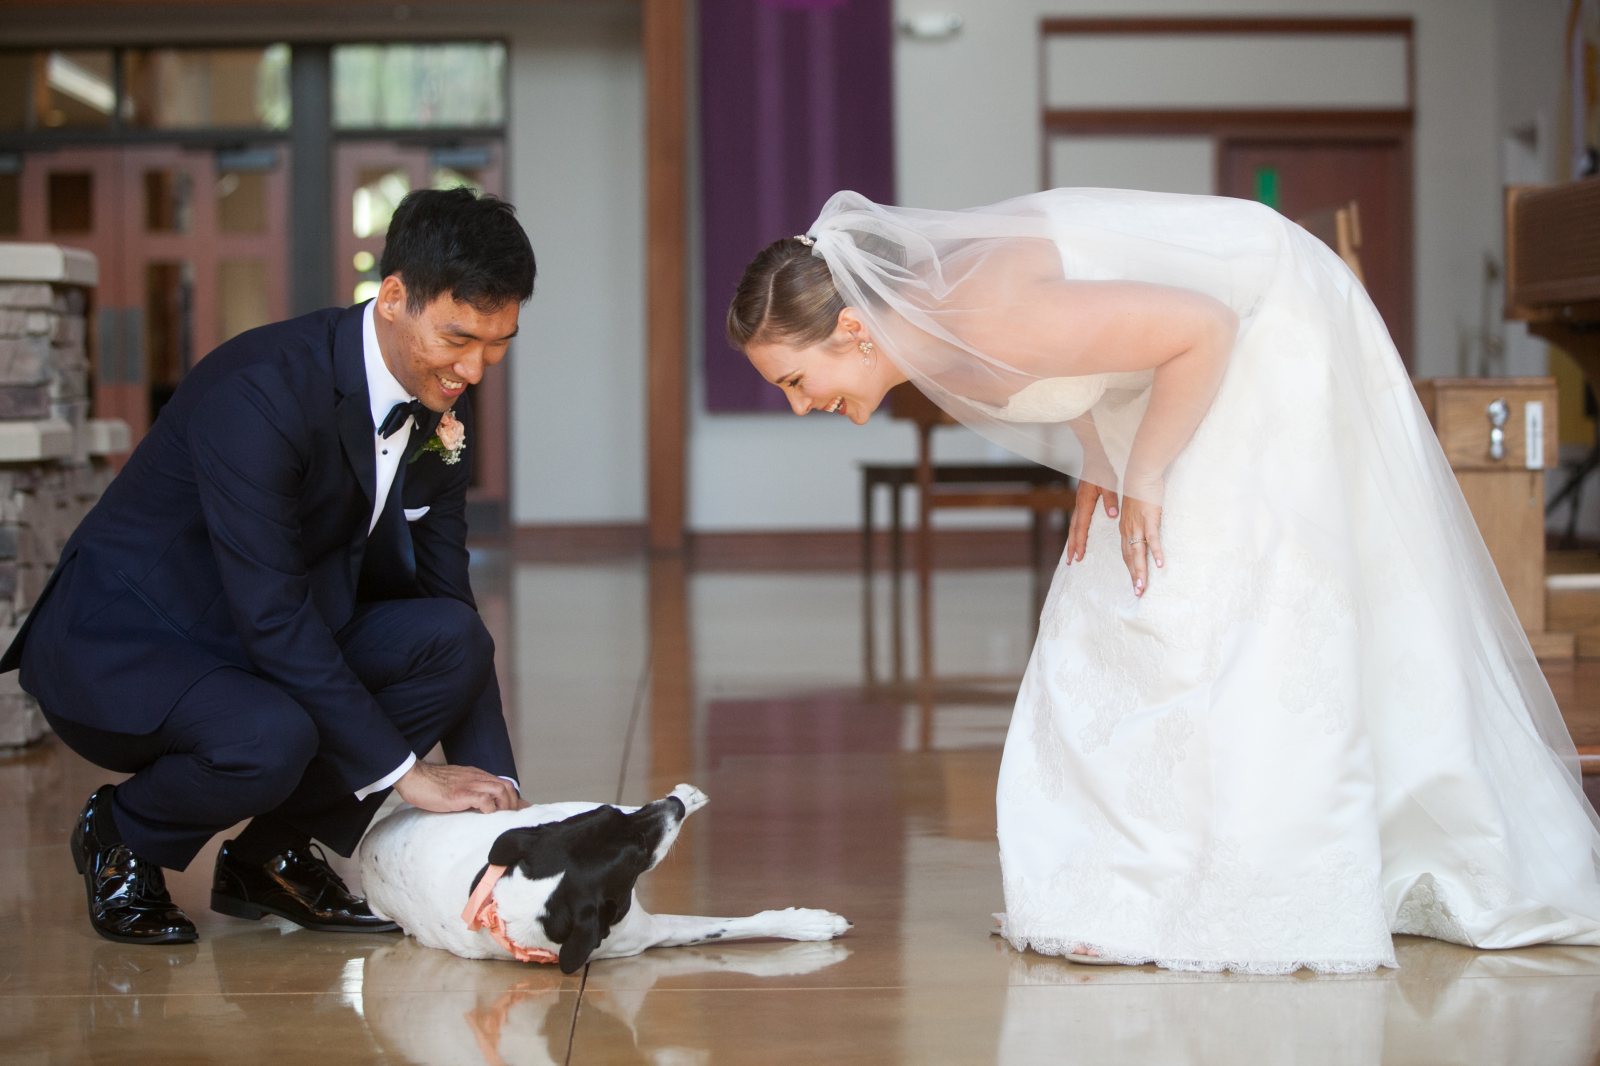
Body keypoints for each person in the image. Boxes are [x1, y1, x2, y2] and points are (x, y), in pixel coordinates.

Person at [726, 188, 1600, 973]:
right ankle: (1141, 877)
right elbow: (1081, 360)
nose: (802, 405)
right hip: (1198, 338)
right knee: (1119, 596)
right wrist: (1101, 461)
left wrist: (1144, 472)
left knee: (1221, 586)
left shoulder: (982, 318)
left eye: (797, 380)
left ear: (853, 329)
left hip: (1267, 316)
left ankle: (1265, 874)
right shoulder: (938, 328)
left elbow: (1199, 327)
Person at [2, 187, 534, 945]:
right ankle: (123, 831)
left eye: (498, 343)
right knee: (271, 737)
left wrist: (504, 815)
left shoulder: (439, 396)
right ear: (392, 298)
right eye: (459, 338)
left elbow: (447, 592)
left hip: (262, 633)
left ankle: (270, 857)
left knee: (450, 640)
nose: (475, 370)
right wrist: (410, 775)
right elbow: (273, 615)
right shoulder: (260, 389)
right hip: (132, 643)